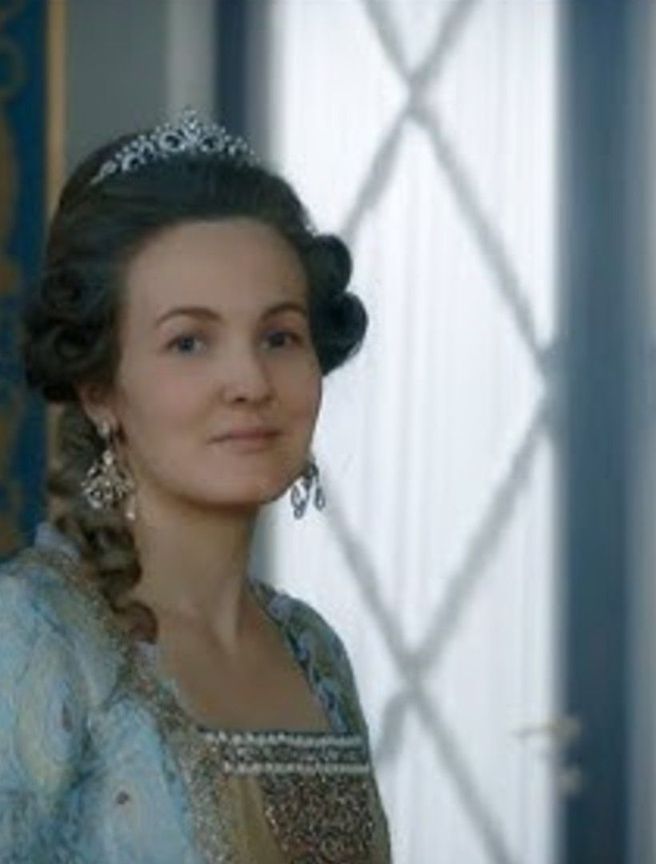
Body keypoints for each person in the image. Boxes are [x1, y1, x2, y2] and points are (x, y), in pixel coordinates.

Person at [1, 111, 391, 861]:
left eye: (279, 337)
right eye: (189, 342)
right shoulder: (31, 638)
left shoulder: (313, 651)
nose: (249, 381)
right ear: (99, 388)